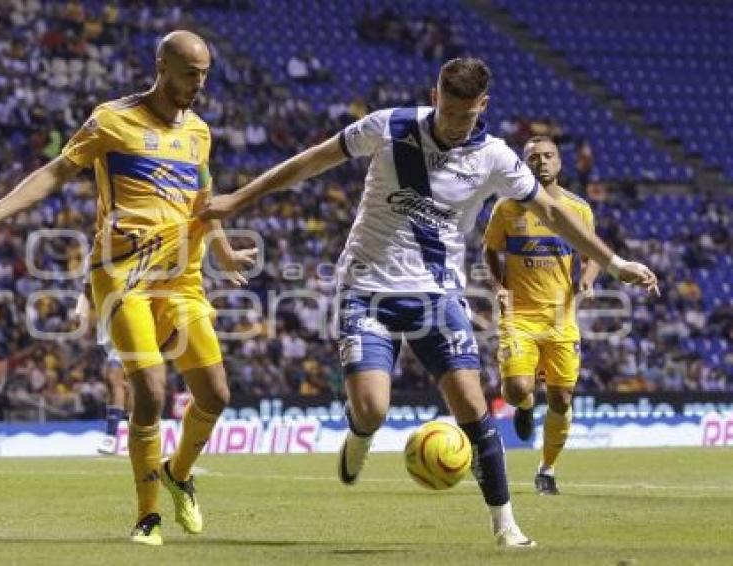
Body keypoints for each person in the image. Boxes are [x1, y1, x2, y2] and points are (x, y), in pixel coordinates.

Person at [200, 57, 658, 548]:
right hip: (367, 288)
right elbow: (311, 160)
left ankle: (506, 525)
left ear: (482, 106)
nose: (452, 122)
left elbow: (552, 212)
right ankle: (360, 433)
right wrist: (236, 200)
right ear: (435, 94)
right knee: (374, 408)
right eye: (446, 109)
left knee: (471, 404)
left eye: (464, 115)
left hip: (438, 296)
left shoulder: (497, 157)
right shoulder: (390, 126)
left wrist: (613, 264)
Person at [0, 30, 256, 546]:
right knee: (149, 391)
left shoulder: (199, 132)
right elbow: (56, 172)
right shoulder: (111, 119)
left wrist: (223, 252)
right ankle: (147, 517)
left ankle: (178, 473)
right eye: (189, 73)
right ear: (162, 67)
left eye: (204, 74)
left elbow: (204, 203)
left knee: (216, 394)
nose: (198, 84)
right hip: (121, 274)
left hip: (182, 281)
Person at [482, 136, 600, 495]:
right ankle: (525, 404)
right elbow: (489, 252)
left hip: (561, 319)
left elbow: (592, 255)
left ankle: (546, 469)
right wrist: (498, 286)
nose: (542, 162)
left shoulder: (578, 210)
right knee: (517, 389)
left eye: (549, 156)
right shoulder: (507, 209)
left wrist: (588, 282)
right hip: (520, 316)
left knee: (562, 399)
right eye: (534, 157)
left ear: (560, 163)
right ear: (523, 164)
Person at [73, 282, 132, 456]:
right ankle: (139, 434)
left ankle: (110, 437)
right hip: (111, 341)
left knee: (115, 381)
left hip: (125, 333)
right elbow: (87, 292)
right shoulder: (97, 277)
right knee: (122, 387)